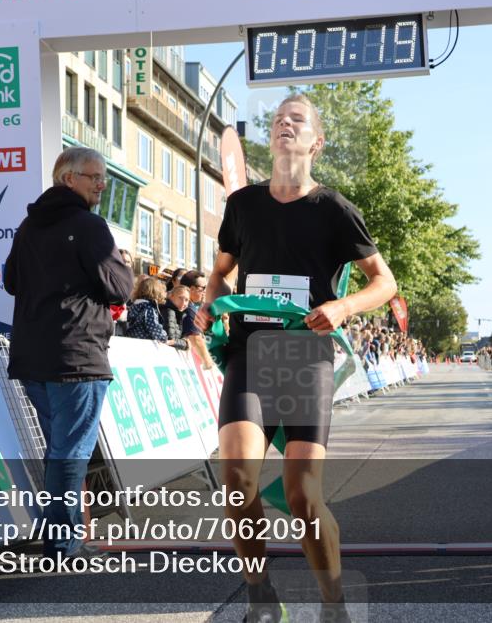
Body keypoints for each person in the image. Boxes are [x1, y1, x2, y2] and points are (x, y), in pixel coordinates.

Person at [195, 94, 397, 623]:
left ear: (316, 142)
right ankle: (262, 596)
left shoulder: (333, 209)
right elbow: (219, 273)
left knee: (303, 496)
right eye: (279, 119)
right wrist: (210, 304)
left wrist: (342, 306)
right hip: (249, 352)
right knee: (235, 479)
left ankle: (334, 605)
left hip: (305, 357)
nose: (285, 124)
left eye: (298, 120)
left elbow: (385, 282)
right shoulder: (243, 207)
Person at [4, 147, 134, 559]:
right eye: (94, 176)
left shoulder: (27, 226)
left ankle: (62, 536)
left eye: (103, 177)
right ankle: (63, 542)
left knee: (60, 449)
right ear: (68, 179)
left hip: (32, 354)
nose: (101, 184)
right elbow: (120, 287)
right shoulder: (89, 225)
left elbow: (10, 282)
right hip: (78, 354)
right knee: (70, 451)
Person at [180, 270, 216, 368]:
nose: (205, 291)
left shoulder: (179, 302)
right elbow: (196, 338)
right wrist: (208, 362)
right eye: (203, 288)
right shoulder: (188, 308)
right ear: (191, 289)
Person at [126, 276, 170, 343]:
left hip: (131, 338)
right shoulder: (149, 307)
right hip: (143, 342)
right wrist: (164, 337)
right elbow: (153, 326)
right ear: (156, 292)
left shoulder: (135, 305)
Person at [160, 284, 191, 350]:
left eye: (186, 300)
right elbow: (170, 340)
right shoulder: (169, 311)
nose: (183, 303)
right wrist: (186, 343)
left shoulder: (178, 313)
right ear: (171, 296)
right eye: (180, 298)